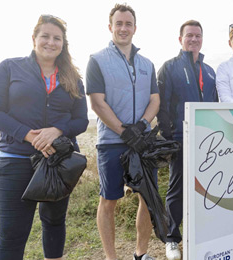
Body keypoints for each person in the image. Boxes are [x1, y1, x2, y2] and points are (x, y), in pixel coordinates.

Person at [0, 15, 88, 260]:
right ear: (34, 39)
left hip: (58, 162)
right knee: (11, 236)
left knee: (54, 223)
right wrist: (29, 136)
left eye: (57, 38)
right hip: (15, 160)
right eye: (45, 36)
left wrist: (57, 131)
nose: (50, 43)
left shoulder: (73, 79)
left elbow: (81, 120)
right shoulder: (9, 67)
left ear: (63, 44)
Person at [86, 4, 159, 260]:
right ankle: (111, 257)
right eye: (119, 23)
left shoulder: (147, 64)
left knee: (147, 200)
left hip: (143, 142)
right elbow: (97, 102)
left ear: (135, 28)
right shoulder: (96, 60)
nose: (123, 28)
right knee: (109, 201)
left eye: (128, 24)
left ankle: (141, 253)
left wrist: (140, 126)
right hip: (111, 143)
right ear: (110, 27)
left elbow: (154, 100)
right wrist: (122, 131)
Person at [156, 20, 218, 260]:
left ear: (202, 39)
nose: (194, 39)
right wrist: (169, 136)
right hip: (180, 139)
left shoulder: (210, 70)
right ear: (180, 39)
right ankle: (171, 239)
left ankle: (201, 233)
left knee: (206, 187)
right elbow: (162, 104)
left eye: (198, 36)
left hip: (207, 140)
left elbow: (215, 105)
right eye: (189, 36)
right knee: (177, 189)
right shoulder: (169, 67)